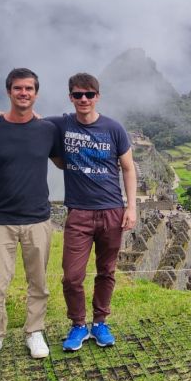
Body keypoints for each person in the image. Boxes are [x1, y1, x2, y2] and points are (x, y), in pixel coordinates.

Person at [0, 68, 61, 364]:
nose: (23, 93)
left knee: (38, 281)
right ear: (9, 91)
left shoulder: (47, 129)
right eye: (18, 89)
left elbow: (64, 161)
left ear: (36, 93)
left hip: (37, 218)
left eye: (29, 89)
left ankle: (34, 330)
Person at [48, 73, 136, 351]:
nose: (83, 99)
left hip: (111, 209)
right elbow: (26, 119)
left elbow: (128, 167)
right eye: (77, 95)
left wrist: (131, 207)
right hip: (80, 213)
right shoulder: (61, 124)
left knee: (106, 270)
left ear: (97, 96)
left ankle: (100, 322)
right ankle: (78, 325)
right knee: (72, 276)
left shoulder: (114, 128)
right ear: (70, 97)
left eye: (88, 94)